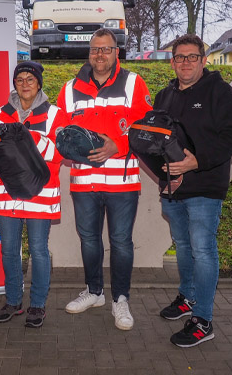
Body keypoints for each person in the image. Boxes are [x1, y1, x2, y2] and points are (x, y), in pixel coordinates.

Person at [56, 28, 152, 331]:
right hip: (84, 182)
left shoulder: (134, 83)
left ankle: (120, 299)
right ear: (89, 53)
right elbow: (60, 134)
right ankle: (95, 292)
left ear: (117, 52)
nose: (100, 55)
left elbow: (145, 130)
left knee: (121, 242)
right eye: (95, 49)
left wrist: (117, 145)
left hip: (122, 183)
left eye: (106, 49)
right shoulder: (69, 89)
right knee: (89, 240)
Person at [154, 34, 232, 347]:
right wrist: (165, 176)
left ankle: (203, 319)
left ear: (203, 61)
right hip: (173, 189)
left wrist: (195, 163)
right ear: (173, 61)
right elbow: (155, 141)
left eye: (192, 57)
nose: (186, 62)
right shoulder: (164, 95)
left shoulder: (220, 92)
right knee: (182, 244)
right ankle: (188, 298)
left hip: (205, 186)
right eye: (180, 57)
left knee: (203, 249)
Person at [0, 61, 67, 328]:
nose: (24, 84)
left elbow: (61, 153)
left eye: (29, 79)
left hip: (39, 194)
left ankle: (37, 305)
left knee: (38, 251)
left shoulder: (56, 114)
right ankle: (12, 301)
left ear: (39, 83)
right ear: (14, 83)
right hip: (7, 193)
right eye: (19, 79)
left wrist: (28, 139)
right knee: (9, 251)